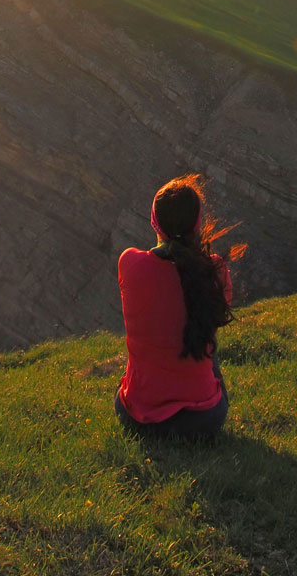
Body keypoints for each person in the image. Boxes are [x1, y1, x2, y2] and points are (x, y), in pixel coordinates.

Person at [114, 174, 242, 440]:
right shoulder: (215, 272)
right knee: (202, 335)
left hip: (137, 418)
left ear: (154, 223)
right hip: (203, 422)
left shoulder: (130, 263)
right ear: (197, 225)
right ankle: (195, 393)